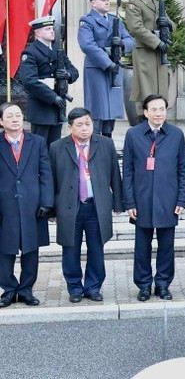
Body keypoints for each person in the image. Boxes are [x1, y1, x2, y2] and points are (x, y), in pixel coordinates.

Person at [49, 108, 123, 303]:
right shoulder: (57, 147)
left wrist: (118, 203)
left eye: (87, 124)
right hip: (69, 207)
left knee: (96, 248)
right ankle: (74, 287)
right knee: (70, 249)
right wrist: (51, 208)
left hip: (97, 206)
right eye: (79, 124)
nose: (84, 128)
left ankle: (93, 287)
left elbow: (115, 174)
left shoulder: (105, 144)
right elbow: (51, 181)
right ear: (70, 127)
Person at [122, 94, 185, 301]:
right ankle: (143, 285)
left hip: (168, 201)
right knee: (142, 247)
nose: (159, 113)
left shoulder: (176, 135)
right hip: (141, 201)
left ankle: (162, 284)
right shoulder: (133, 135)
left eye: (162, 109)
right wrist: (129, 201)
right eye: (154, 109)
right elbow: (128, 171)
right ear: (145, 112)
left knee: (166, 246)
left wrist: (181, 199)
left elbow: (182, 170)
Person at [0, 102, 53, 307]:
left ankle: (26, 290)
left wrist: (47, 202)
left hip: (32, 205)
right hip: (5, 205)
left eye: (18, 115)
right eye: (10, 116)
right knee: (5, 250)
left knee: (31, 250)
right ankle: (8, 289)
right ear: (1, 121)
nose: (15, 119)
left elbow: (46, 173)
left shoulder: (37, 141)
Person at [78, 0, 136, 138]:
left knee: (111, 110)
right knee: (98, 110)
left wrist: (121, 44)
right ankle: (95, 141)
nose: (106, 2)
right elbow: (87, 45)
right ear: (93, 3)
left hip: (114, 67)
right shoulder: (87, 21)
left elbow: (130, 40)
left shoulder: (115, 20)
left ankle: (107, 143)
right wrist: (107, 63)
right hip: (98, 68)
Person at [18, 16, 79, 147]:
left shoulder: (57, 50)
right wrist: (52, 97)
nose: (52, 31)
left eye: (52, 28)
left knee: (54, 147)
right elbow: (29, 81)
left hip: (57, 109)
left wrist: (67, 74)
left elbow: (74, 71)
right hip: (41, 107)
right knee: (39, 147)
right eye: (47, 29)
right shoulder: (30, 53)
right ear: (38, 33)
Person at [125, 0, 170, 111]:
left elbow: (173, 25)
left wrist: (167, 23)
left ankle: (159, 118)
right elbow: (136, 28)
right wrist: (157, 42)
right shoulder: (134, 4)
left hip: (159, 54)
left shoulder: (157, 4)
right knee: (146, 92)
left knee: (160, 92)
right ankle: (144, 119)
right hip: (145, 52)